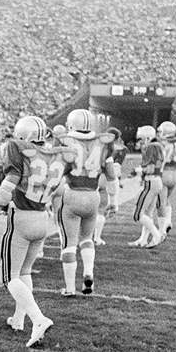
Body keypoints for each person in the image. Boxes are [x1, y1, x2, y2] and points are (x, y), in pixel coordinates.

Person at [0, 115, 63, 347]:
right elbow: (60, 189)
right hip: (42, 218)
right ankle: (18, 319)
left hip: (22, 218)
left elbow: (6, 190)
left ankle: (38, 318)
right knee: (25, 272)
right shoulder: (53, 154)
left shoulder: (17, 149)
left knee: (9, 277)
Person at [57, 109, 118, 296]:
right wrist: (114, 200)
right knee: (87, 239)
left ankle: (69, 288)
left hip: (73, 194)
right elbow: (111, 176)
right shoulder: (104, 144)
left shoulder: (66, 142)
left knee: (68, 243)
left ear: (71, 125)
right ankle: (89, 273)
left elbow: (57, 173)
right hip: (93, 196)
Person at [155, 121, 176, 236]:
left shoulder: (161, 144)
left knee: (161, 203)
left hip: (164, 173)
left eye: (161, 131)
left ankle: (162, 230)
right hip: (175, 173)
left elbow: (160, 161)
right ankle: (168, 221)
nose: (159, 133)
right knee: (166, 199)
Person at [130, 142, 166, 248]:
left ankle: (157, 235)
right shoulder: (159, 158)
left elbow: (150, 170)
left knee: (138, 214)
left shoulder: (152, 159)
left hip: (151, 182)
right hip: (157, 182)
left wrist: (137, 170)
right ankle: (143, 240)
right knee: (148, 213)